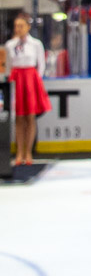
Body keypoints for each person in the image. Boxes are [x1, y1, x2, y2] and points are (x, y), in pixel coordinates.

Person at [5, 14, 50, 165]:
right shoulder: (10, 44)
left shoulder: (36, 44)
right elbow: (9, 65)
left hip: (31, 79)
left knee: (30, 116)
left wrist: (37, 80)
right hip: (17, 79)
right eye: (16, 26)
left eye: (21, 25)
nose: (18, 29)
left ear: (28, 27)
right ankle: (19, 153)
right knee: (18, 117)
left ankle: (28, 152)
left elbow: (41, 64)